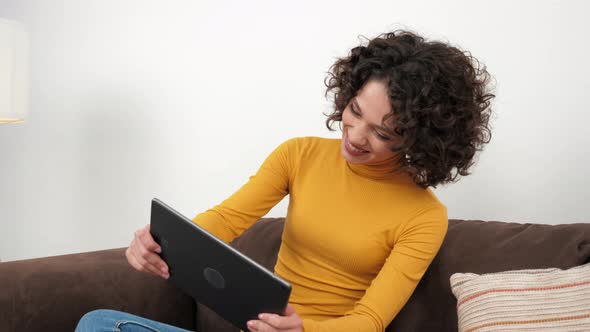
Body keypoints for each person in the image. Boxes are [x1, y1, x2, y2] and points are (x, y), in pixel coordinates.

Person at [76, 29, 494, 332]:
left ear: (421, 140)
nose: (354, 135)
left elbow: (369, 321)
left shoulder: (423, 217)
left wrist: (302, 330)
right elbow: (227, 218)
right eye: (354, 110)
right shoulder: (301, 154)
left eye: (383, 133)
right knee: (98, 325)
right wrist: (161, 239)